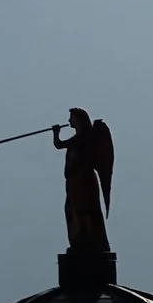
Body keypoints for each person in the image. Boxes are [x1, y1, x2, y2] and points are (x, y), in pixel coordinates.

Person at [54, 106, 112, 254]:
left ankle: (90, 242)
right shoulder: (79, 137)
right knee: (73, 211)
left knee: (85, 211)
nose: (69, 120)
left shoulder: (84, 138)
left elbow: (59, 145)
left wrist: (56, 134)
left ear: (78, 120)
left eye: (71, 118)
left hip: (84, 182)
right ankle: (80, 241)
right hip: (75, 182)